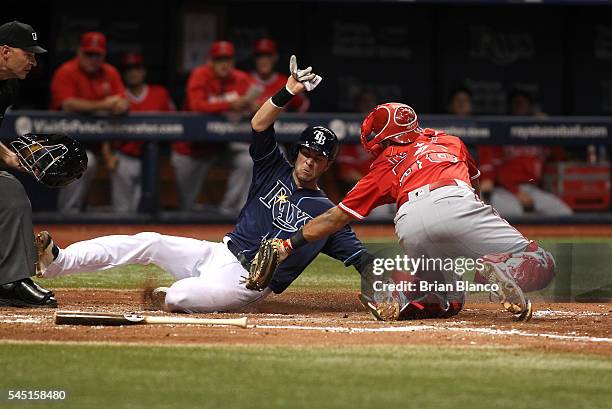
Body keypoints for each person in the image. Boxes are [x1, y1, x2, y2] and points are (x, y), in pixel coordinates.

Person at [36, 57, 377, 314]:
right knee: (149, 241)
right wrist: (288, 91)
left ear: (328, 164)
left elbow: (361, 257)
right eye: (305, 153)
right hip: (217, 251)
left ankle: (184, 293)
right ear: (297, 151)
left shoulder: (327, 214)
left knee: (179, 296)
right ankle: (57, 262)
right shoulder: (274, 167)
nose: (309, 161)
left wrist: (385, 287)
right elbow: (259, 124)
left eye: (318, 158)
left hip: (246, 283)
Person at [265, 102, 557, 321]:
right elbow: (475, 182)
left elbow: (335, 218)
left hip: (410, 222)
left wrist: (289, 244)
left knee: (451, 301)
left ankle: (401, 295)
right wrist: (474, 228)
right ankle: (503, 266)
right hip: (457, 200)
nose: (374, 136)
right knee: (542, 261)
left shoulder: (383, 165)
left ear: (391, 133)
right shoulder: (450, 140)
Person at [0, 20, 57, 307]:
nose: (34, 62)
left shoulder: (8, 86)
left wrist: (8, 155)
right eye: (29, 54)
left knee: (9, 194)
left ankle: (10, 281)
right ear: (6, 51)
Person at [171, 41, 260, 214]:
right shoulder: (200, 75)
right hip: (192, 148)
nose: (224, 64)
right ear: (210, 61)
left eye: (228, 59)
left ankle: (230, 213)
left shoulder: (241, 78)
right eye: (219, 59)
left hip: (223, 145)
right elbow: (196, 105)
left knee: (247, 160)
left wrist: (253, 106)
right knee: (186, 208)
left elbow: (259, 101)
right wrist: (229, 104)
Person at [50, 31, 129, 213]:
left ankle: (124, 221)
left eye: (97, 55)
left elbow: (122, 101)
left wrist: (121, 105)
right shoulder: (66, 71)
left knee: (123, 163)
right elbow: (68, 104)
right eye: (88, 54)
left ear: (103, 55)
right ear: (79, 52)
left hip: (101, 141)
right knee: (85, 161)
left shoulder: (110, 72)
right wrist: (106, 104)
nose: (92, 59)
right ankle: (69, 217)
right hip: (65, 140)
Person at [477, 89, 572, 217]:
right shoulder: (501, 133)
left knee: (564, 213)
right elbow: (497, 172)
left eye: (523, 103)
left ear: (531, 107)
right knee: (514, 213)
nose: (520, 107)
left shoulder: (538, 134)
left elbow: (560, 156)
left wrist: (548, 127)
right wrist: (516, 192)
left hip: (532, 190)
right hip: (504, 190)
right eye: (516, 103)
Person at [104, 52, 175, 213]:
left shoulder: (160, 94)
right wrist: (108, 156)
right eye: (129, 69)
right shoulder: (117, 97)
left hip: (151, 160)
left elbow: (176, 126)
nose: (133, 72)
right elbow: (103, 129)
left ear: (144, 71)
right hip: (123, 158)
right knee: (121, 212)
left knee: (145, 213)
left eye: (137, 68)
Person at [250, 38, 309, 112]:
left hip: (280, 122)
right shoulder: (245, 80)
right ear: (254, 59)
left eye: (268, 56)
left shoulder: (286, 82)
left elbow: (303, 106)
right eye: (260, 56)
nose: (264, 60)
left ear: (275, 57)